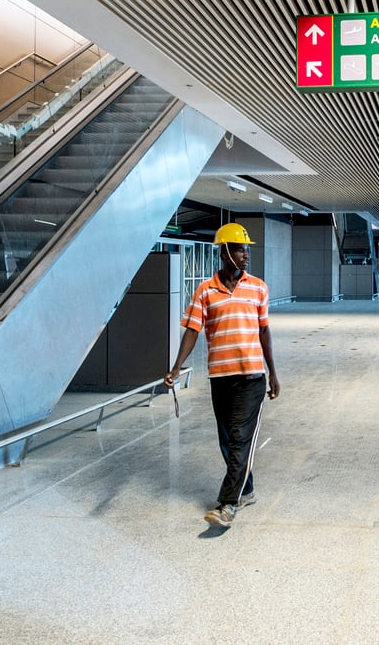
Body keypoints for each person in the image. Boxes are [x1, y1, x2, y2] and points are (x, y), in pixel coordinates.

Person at [165, 222, 280, 529]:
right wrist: (176, 367)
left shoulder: (258, 288)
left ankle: (227, 504)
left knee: (241, 438)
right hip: (221, 376)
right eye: (241, 249)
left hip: (252, 375)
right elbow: (192, 329)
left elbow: (264, 331)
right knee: (228, 439)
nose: (246, 255)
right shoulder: (205, 291)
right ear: (225, 251)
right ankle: (247, 488)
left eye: (247, 250)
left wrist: (273, 373)